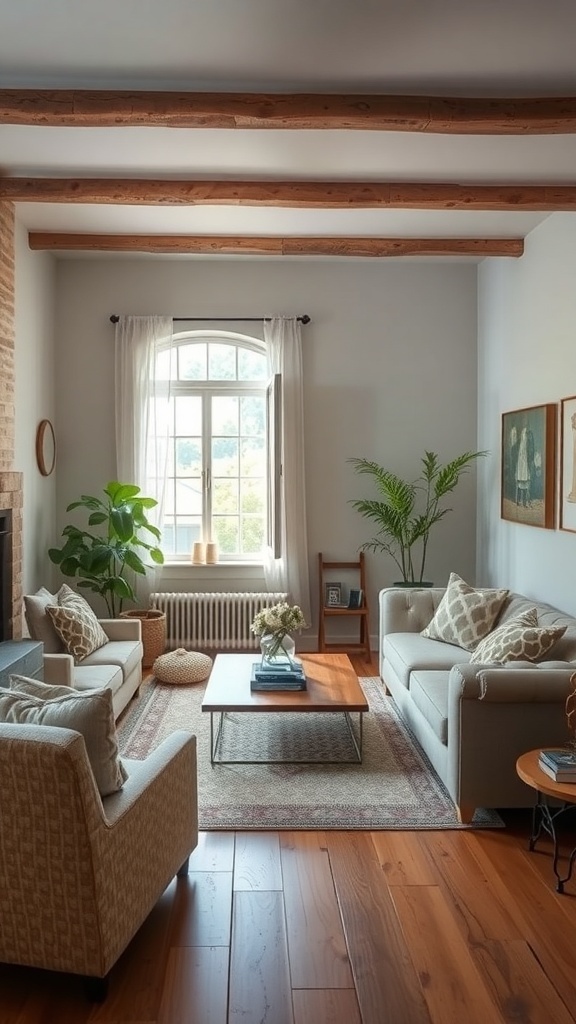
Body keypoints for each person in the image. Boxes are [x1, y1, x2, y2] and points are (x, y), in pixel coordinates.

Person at [515, 420, 535, 507]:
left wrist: (531, 458)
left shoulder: (530, 435)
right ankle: (519, 501)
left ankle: (525, 501)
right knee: (521, 480)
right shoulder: (519, 443)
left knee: (526, 480)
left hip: (526, 461)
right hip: (521, 461)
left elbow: (531, 449)